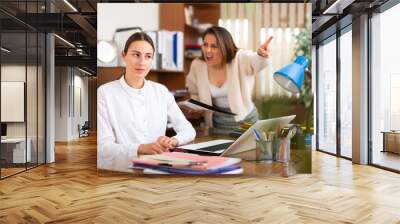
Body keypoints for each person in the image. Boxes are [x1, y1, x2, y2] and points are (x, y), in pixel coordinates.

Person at [97, 32, 196, 172]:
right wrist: (141, 148)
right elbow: (103, 147)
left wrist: (173, 140)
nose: (142, 62)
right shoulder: (105, 93)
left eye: (148, 56)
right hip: (120, 170)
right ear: (123, 55)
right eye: (136, 55)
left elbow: (188, 130)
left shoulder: (161, 91)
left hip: (155, 168)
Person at [185, 26, 273, 135]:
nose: (207, 50)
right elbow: (194, 93)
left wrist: (261, 55)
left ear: (225, 47)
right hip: (217, 125)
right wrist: (196, 108)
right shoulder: (197, 65)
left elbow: (256, 62)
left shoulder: (240, 58)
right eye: (205, 44)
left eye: (214, 46)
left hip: (246, 122)